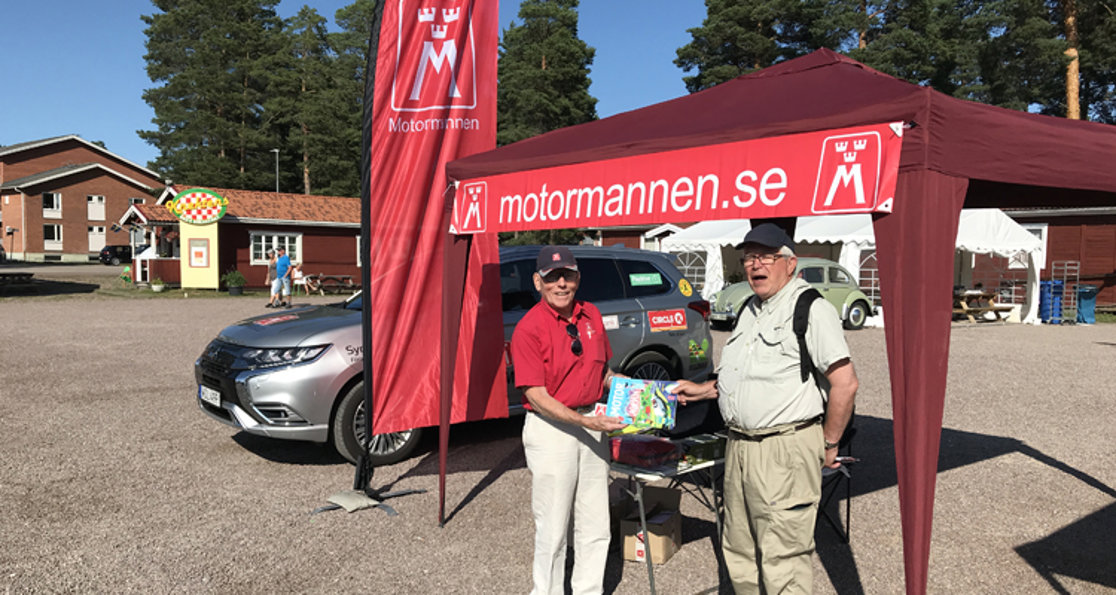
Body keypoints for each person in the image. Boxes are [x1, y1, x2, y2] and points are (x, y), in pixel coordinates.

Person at [674, 223, 858, 594]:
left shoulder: (811, 308)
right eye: (749, 258)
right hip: (739, 446)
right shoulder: (749, 308)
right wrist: (701, 390)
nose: (755, 265)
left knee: (783, 560)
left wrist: (829, 443)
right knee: (739, 549)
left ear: (790, 264)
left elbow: (845, 384)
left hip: (785, 448)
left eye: (766, 257)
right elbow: (741, 379)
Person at [509, 246, 628, 595]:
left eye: (568, 276)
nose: (561, 284)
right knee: (554, 525)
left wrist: (637, 392)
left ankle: (588, 589)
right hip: (552, 429)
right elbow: (536, 396)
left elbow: (603, 372)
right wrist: (585, 422)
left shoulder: (591, 314)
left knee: (595, 520)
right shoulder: (528, 328)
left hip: (591, 419)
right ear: (538, 281)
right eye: (552, 277)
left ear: (578, 277)